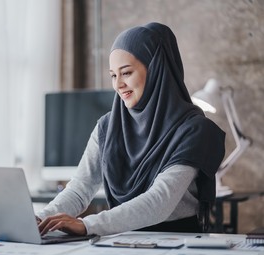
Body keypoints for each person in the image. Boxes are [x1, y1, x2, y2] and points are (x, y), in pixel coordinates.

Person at [37, 22, 225, 236]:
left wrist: (88, 225)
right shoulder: (106, 127)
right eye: (113, 75)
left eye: (126, 73)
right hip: (120, 239)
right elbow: (79, 190)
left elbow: (160, 201)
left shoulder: (194, 130)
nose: (118, 85)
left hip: (176, 243)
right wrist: (40, 219)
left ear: (156, 70)